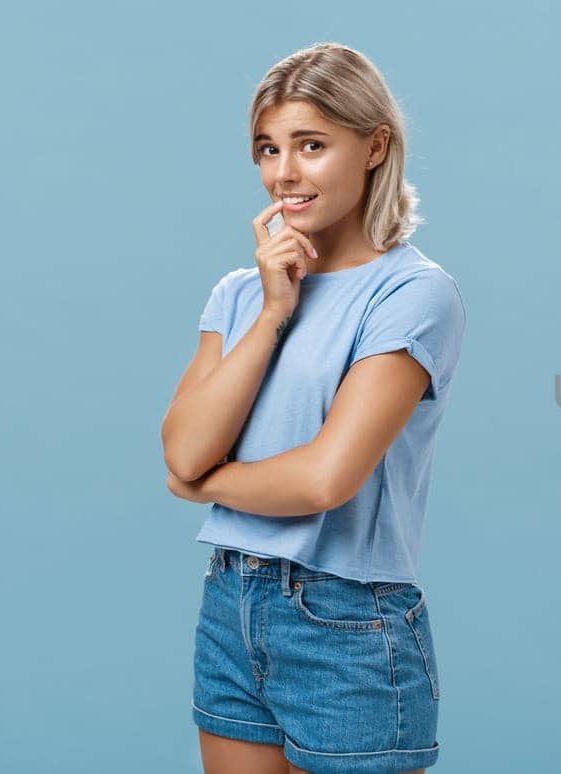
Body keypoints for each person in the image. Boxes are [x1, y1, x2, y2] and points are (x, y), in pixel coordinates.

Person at [160, 42, 465, 774]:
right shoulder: (241, 294)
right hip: (231, 603)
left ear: (374, 146)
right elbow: (181, 447)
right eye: (268, 148)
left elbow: (325, 479)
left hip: (344, 622)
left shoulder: (412, 295)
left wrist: (204, 485)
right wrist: (272, 311)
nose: (283, 172)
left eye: (312, 145)